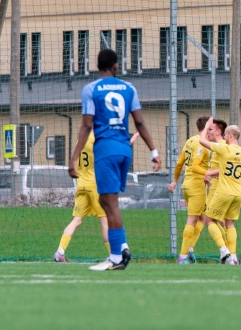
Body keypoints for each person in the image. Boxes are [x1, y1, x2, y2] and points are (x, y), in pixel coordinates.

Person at [68, 49, 161, 271]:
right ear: (116, 66)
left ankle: (117, 256)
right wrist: (153, 151)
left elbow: (87, 125)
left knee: (110, 203)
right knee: (106, 201)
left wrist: (73, 158)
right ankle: (122, 248)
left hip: (106, 150)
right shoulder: (129, 88)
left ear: (97, 66)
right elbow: (139, 122)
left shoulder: (91, 89)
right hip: (124, 150)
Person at [54, 130, 138, 263]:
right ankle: (113, 256)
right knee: (105, 221)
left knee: (76, 220)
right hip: (95, 185)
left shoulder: (80, 139)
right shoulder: (98, 138)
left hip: (81, 184)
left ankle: (60, 251)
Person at [199, 118, 241, 265]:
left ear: (230, 136)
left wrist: (207, 126)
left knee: (210, 220)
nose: (225, 138)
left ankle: (224, 250)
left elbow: (202, 141)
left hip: (224, 192)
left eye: (226, 135)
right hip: (238, 194)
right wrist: (233, 181)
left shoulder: (224, 149)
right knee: (230, 224)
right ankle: (233, 256)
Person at [168, 116, 211, 264]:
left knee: (203, 217)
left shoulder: (190, 140)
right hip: (196, 186)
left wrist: (175, 180)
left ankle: (190, 249)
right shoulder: (202, 145)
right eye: (210, 127)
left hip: (186, 185)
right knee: (192, 220)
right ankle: (183, 256)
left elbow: (180, 163)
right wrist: (208, 174)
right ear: (207, 128)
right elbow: (195, 166)